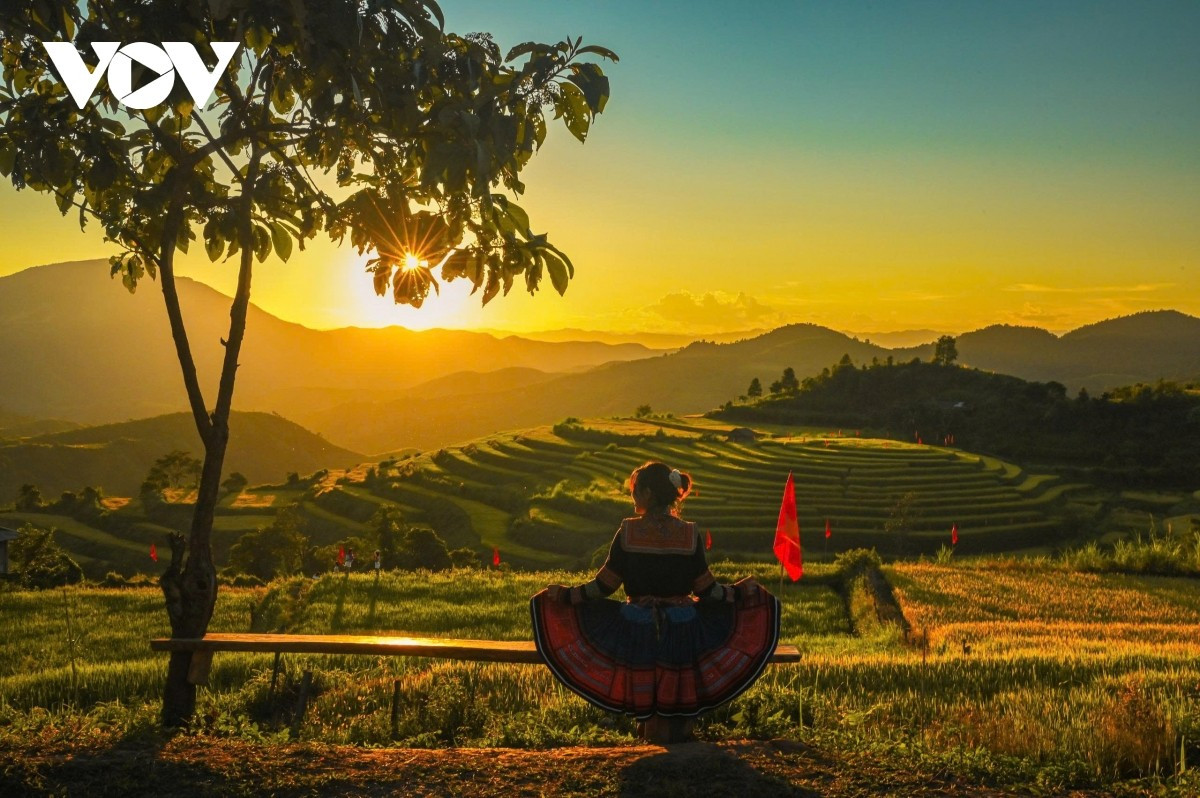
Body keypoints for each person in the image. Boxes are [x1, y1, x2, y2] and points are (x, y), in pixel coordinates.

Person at [530, 461, 781, 744]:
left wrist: (565, 596)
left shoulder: (628, 532)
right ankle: (684, 756)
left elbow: (603, 587)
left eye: (635, 490)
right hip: (682, 627)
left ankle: (651, 747)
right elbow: (707, 589)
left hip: (638, 628)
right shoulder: (688, 533)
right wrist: (738, 593)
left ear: (648, 494)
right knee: (680, 692)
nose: (633, 496)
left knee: (648, 695)